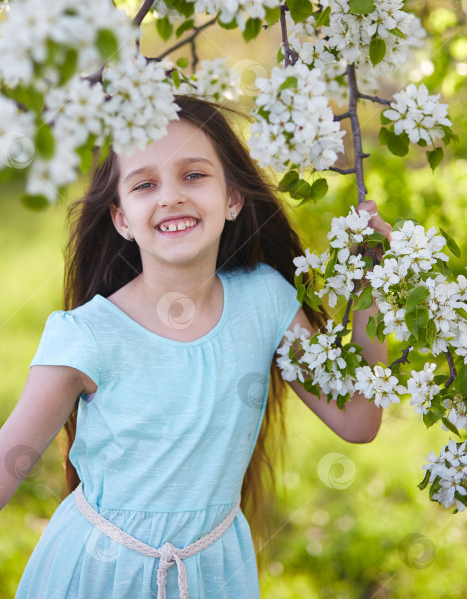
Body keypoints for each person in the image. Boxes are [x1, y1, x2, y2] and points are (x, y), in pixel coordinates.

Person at [1, 94, 391, 598]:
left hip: (214, 574)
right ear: (121, 218)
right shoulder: (89, 335)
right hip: (100, 574)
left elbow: (358, 419)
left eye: (194, 175)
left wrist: (370, 287)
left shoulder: (265, 302)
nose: (171, 197)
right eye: (145, 184)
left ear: (233, 198)